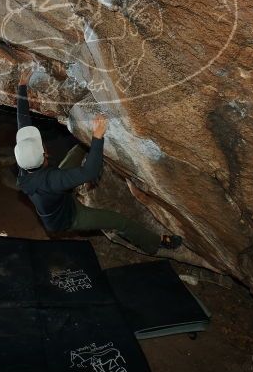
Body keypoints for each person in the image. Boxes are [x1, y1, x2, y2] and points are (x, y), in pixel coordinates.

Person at [14, 66, 182, 254]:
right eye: (42, 145)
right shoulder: (52, 180)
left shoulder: (25, 163)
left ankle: (78, 173)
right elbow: (90, 172)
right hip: (68, 217)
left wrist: (22, 87)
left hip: (55, 195)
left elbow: (23, 122)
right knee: (119, 221)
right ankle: (154, 242)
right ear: (44, 155)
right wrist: (98, 136)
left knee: (79, 148)